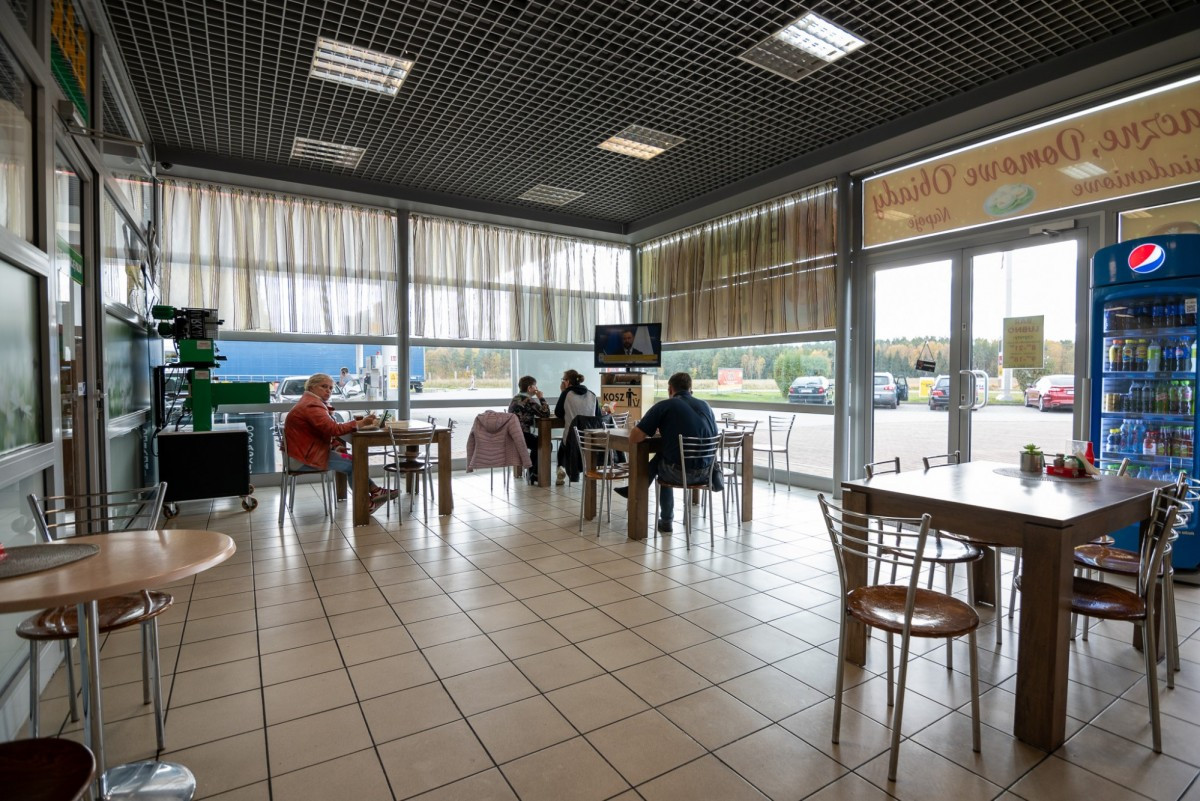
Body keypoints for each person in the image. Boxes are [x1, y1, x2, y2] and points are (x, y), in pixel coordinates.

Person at [615, 372, 717, 533]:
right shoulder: (706, 406)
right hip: (707, 473)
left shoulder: (666, 406)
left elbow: (635, 437)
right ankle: (635, 491)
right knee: (664, 456)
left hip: (679, 473)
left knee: (664, 462)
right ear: (690, 389)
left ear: (670, 389)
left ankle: (666, 519)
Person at [284, 373, 394, 510]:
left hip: (301, 455)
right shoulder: (311, 405)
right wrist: (360, 423)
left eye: (330, 388)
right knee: (355, 464)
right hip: (303, 459)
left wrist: (334, 446)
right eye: (324, 386)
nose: (328, 391)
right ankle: (365, 504)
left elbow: (320, 431)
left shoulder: (309, 402)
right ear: (311, 387)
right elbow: (333, 429)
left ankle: (375, 491)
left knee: (354, 461)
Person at [554, 369, 600, 485]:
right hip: (589, 438)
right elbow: (598, 416)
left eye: (563, 379)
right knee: (569, 444)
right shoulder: (592, 394)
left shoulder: (566, 393)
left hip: (572, 436)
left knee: (563, 446)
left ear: (567, 381)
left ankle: (561, 469)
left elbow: (558, 413)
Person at [508, 375, 551, 482]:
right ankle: (534, 473)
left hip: (512, 435)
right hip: (522, 435)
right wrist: (541, 398)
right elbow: (545, 414)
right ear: (530, 388)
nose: (537, 388)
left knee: (537, 443)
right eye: (535, 386)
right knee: (545, 444)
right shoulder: (528, 400)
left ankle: (531, 472)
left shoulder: (515, 398)